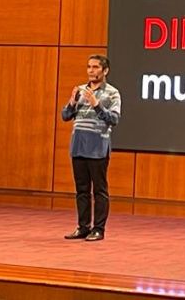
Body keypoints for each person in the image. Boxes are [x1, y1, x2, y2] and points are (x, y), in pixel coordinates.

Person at [61, 54, 121, 241]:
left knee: (99, 191)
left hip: (98, 147)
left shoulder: (112, 93)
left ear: (105, 71)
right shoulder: (80, 90)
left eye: (95, 67)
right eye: (89, 67)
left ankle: (98, 229)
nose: (91, 70)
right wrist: (72, 103)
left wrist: (97, 105)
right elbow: (65, 116)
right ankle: (83, 227)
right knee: (82, 190)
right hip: (78, 146)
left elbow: (114, 119)